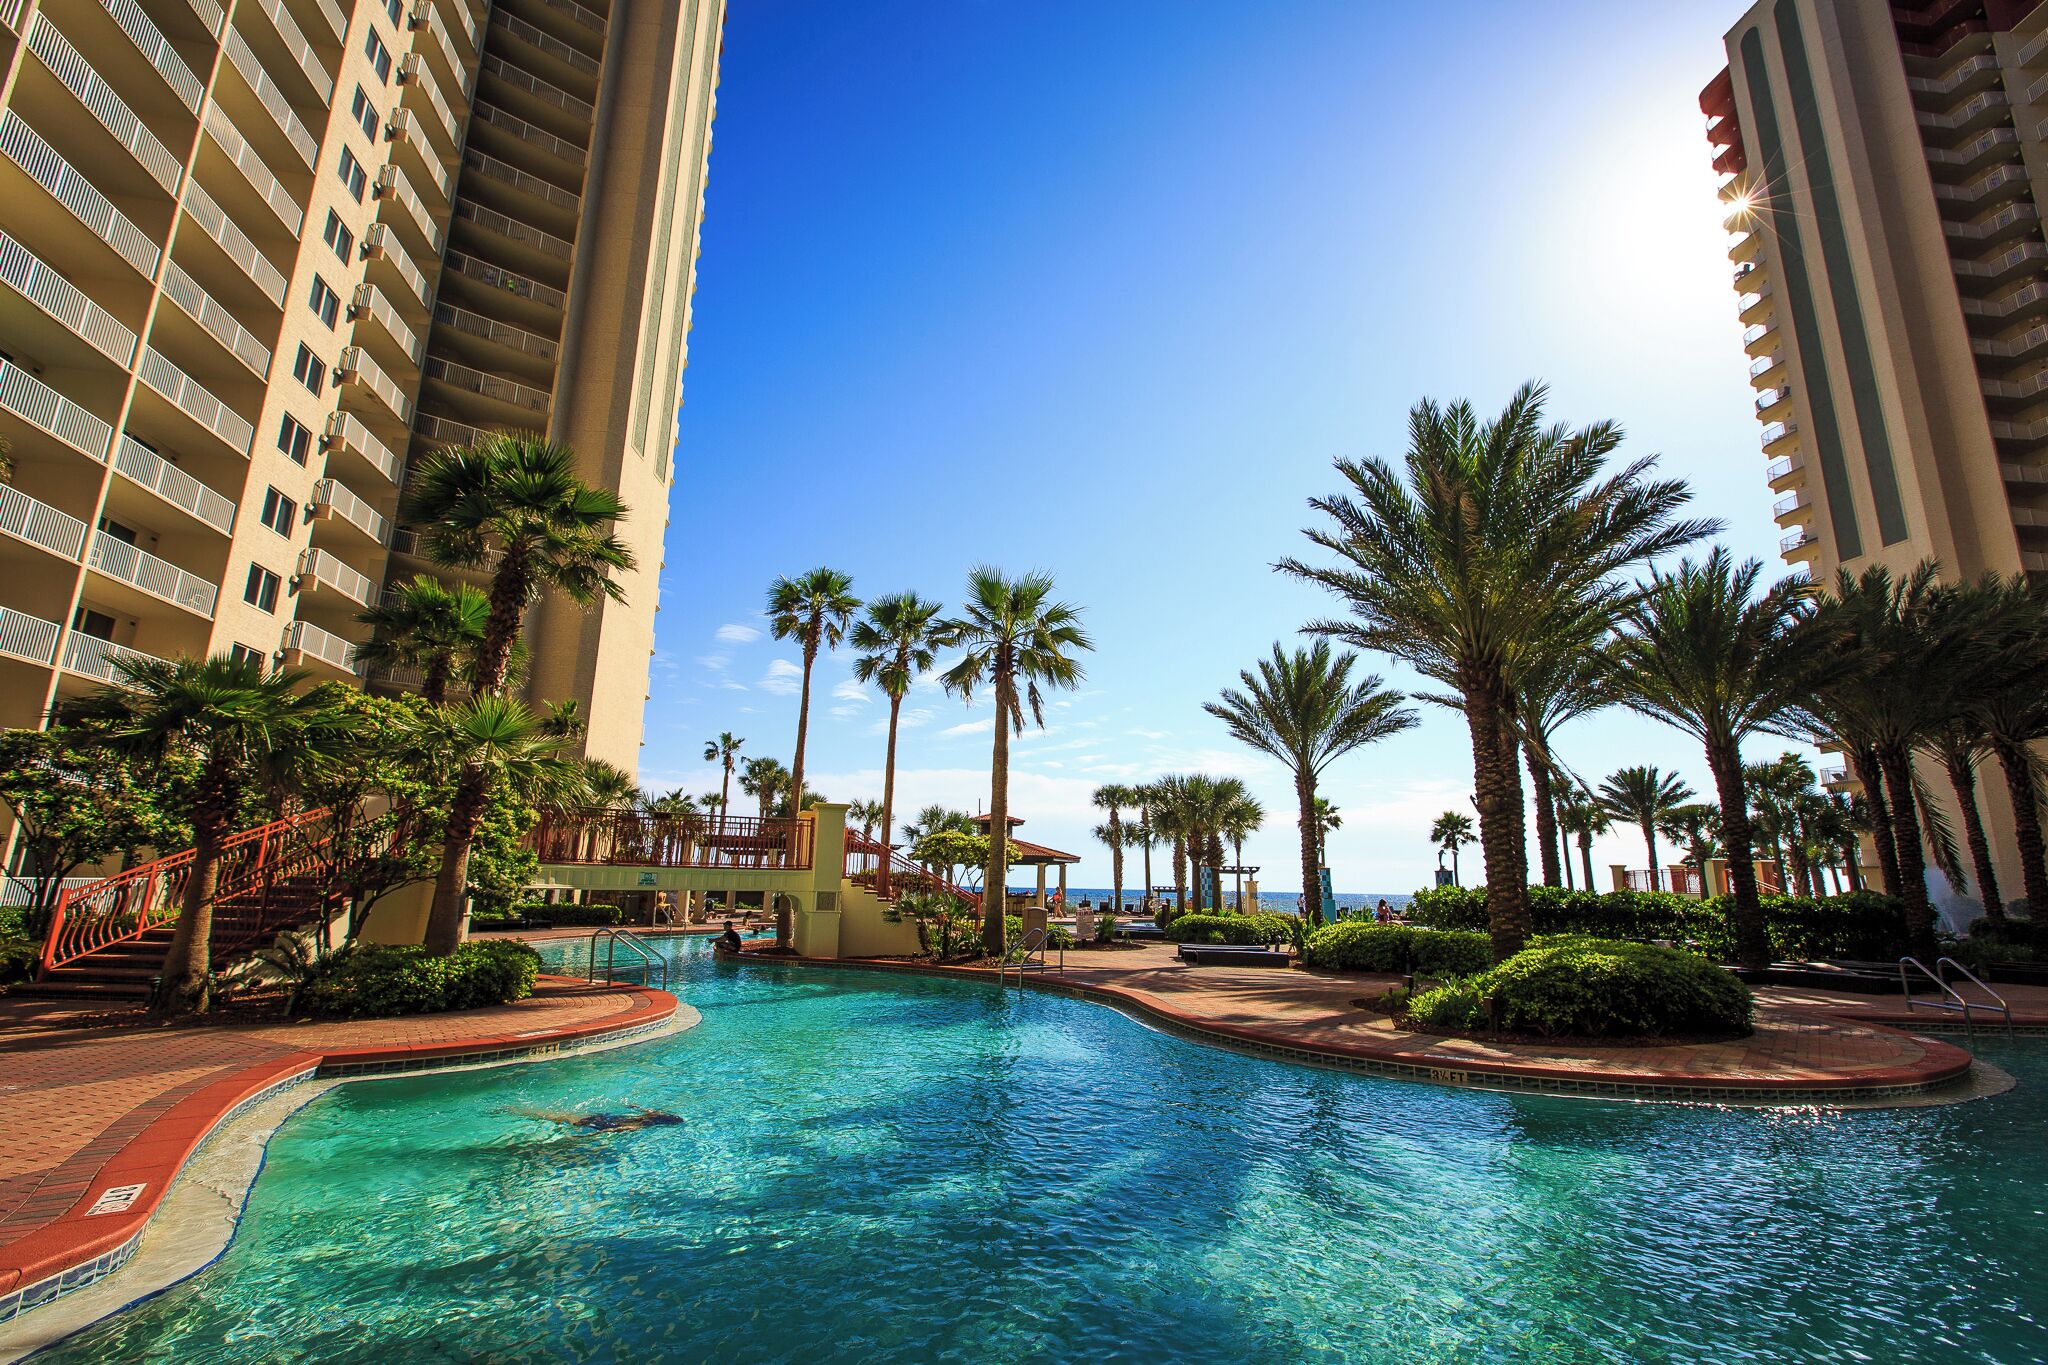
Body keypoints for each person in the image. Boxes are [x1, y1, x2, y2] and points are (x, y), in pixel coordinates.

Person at [509, 1105, 684, 1135]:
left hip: (607, 1117)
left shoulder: (651, 1115)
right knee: (562, 1119)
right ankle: (521, 1112)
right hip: (604, 1124)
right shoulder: (644, 1124)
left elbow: (644, 1109)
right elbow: (618, 1130)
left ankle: (522, 1111)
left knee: (562, 1116)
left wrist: (633, 1106)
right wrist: (589, 1137)